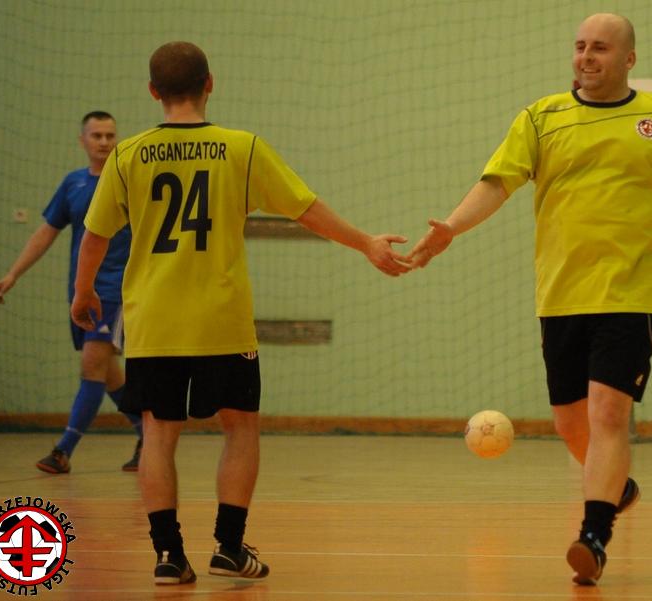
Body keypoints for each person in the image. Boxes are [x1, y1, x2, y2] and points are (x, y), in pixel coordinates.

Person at [407, 13, 652, 585]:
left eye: (600, 48)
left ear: (629, 59)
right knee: (570, 425)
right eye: (580, 46)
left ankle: (594, 536)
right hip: (561, 292)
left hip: (633, 289)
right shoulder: (543, 117)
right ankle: (616, 488)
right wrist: (452, 228)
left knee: (608, 412)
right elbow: (497, 183)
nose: (586, 56)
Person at [70, 41, 410, 585]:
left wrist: (83, 291)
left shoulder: (128, 155)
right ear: (210, 83)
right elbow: (306, 209)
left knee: (158, 433)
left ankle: (167, 555)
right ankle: (229, 547)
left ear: (153, 91)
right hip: (222, 319)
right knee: (240, 426)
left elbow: (94, 234)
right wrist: (365, 242)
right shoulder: (241, 148)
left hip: (153, 321)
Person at [0, 111, 143, 474]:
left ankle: (62, 451)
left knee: (91, 365)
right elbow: (46, 232)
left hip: (114, 292)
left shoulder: (129, 183)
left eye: (110, 135)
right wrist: (14, 273)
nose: (104, 141)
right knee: (107, 372)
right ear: (82, 141)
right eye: (96, 135)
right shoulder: (73, 183)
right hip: (81, 292)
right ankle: (146, 434)